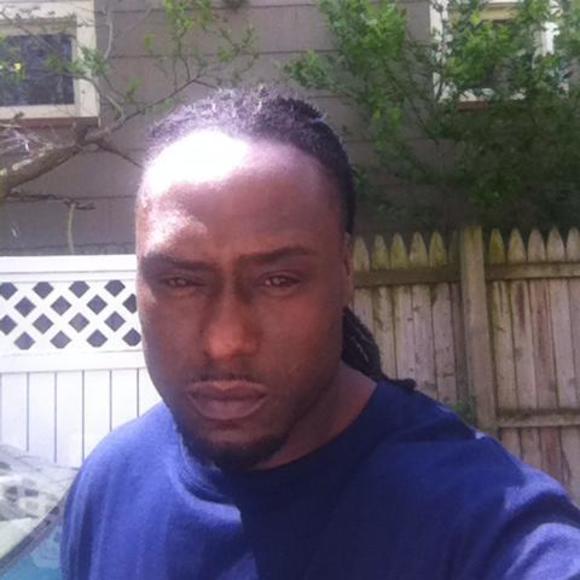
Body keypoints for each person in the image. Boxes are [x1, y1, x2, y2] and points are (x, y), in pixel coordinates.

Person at [61, 88, 580, 580]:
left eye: (279, 280)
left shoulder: (479, 521)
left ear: (346, 270)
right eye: (180, 282)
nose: (225, 341)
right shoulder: (110, 483)